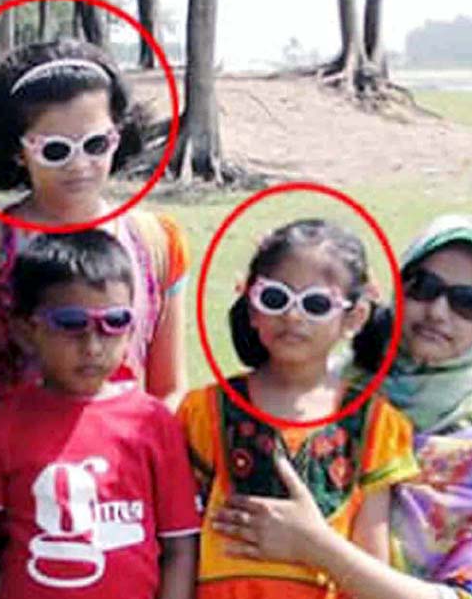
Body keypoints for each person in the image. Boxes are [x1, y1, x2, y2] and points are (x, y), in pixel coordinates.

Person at [211, 215, 472, 599]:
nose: (438, 311)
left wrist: (317, 548)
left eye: (468, 303)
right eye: (424, 287)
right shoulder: (339, 392)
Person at [0, 38, 190, 483]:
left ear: (118, 134)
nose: (80, 164)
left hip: (127, 496)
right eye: (55, 149)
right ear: (18, 149)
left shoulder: (157, 244)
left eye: (96, 144)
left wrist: (142, 486)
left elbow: (169, 390)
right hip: (13, 495)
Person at [177, 219, 418, 599]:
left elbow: (372, 565)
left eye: (316, 304)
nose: (292, 316)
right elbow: (179, 542)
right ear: (252, 306)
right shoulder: (205, 412)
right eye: (276, 299)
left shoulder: (374, 425)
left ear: (354, 317)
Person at [0, 230, 199, 599]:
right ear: (25, 331)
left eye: (115, 321)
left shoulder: (153, 423)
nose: (93, 346)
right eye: (71, 323)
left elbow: (180, 548)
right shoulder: (1, 425)